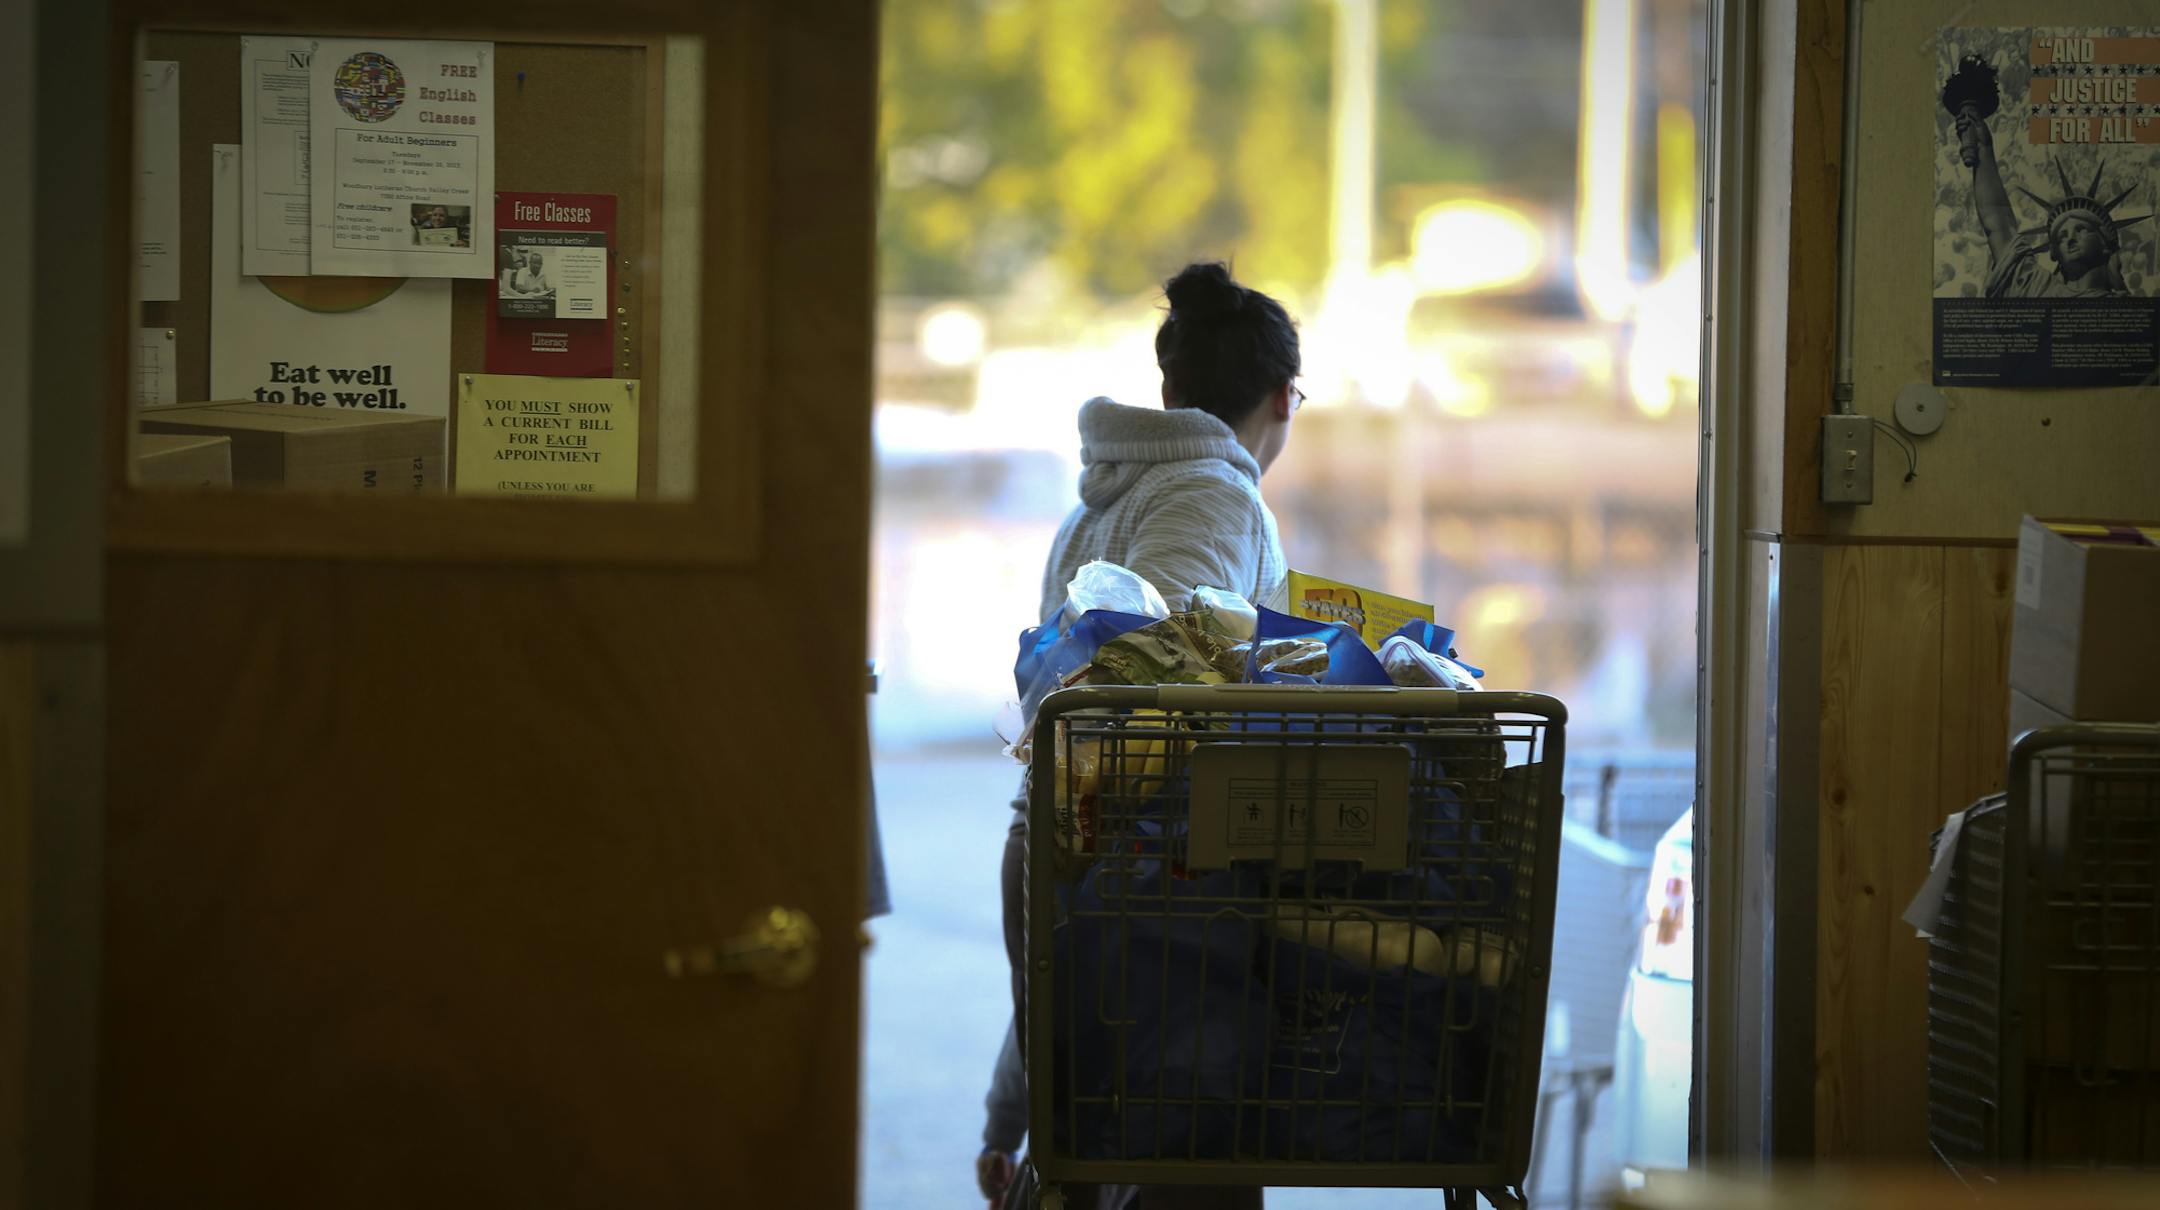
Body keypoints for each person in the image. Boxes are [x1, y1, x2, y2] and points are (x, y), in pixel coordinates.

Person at [981, 260, 1300, 1210]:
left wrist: (1006, 1121)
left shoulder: (1107, 499)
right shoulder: (1214, 497)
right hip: (1155, 875)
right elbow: (1156, 686)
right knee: (1182, 1172)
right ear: (1286, 397)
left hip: (1078, 851)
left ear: (1172, 388)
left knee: (1105, 1152)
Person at [1954, 107, 2142, 298]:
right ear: (2054, 254)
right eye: (2061, 236)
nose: (2070, 239)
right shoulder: (2039, 290)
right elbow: (1999, 225)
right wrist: (1984, 150)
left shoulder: (2126, 311)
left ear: (2104, 242)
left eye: (2081, 229)